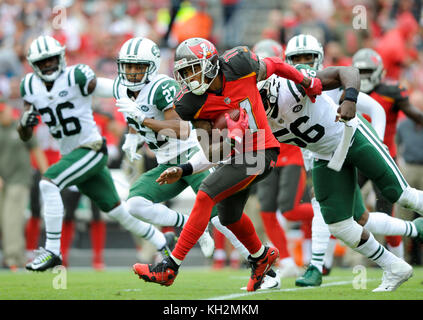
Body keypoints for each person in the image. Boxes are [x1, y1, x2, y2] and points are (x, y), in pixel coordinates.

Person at [133, 37, 322, 291]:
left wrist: (306, 82)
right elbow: (211, 151)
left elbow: (276, 64)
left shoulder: (240, 64)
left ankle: (170, 267)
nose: (190, 77)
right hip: (238, 156)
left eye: (194, 69)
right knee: (229, 217)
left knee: (205, 194)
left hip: (261, 151)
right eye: (185, 72)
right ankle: (261, 257)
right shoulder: (190, 102)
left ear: (211, 64)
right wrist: (229, 139)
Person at [258, 61, 423, 292]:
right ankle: (395, 267)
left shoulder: (292, 86)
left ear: (270, 89)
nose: (255, 106)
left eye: (258, 98)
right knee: (338, 225)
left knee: (400, 194)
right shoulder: (257, 120)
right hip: (325, 155)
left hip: (350, 134)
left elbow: (348, 71)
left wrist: (350, 99)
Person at [18, 35, 175, 271]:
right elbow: (25, 135)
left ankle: (52, 250)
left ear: (60, 57)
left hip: (90, 149)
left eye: (51, 60)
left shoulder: (76, 76)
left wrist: (141, 103)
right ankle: (162, 241)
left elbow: (114, 88)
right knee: (118, 211)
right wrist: (24, 123)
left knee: (48, 183)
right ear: (33, 64)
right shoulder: (29, 86)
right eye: (43, 62)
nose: (48, 65)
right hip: (71, 155)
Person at [112, 36, 264, 260]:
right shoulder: (120, 87)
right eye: (128, 66)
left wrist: (142, 120)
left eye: (138, 66)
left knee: (220, 216)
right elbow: (132, 113)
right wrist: (133, 136)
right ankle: (190, 224)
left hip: (191, 155)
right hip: (165, 162)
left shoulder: (161, 87)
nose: (132, 72)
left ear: (152, 67)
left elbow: (181, 130)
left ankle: (258, 262)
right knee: (134, 205)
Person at [254, 38, 314, 277]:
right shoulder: (251, 87)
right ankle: (287, 259)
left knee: (289, 210)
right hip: (266, 154)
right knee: (267, 211)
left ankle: (326, 214)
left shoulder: (290, 84)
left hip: (291, 154)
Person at [0, 103, 48, 270]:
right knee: (6, 220)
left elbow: (36, 149)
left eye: (2, 112)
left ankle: (13, 258)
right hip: (2, 181)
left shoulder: (21, 127)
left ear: (8, 110)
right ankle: (15, 256)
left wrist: (47, 174)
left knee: (12, 220)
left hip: (19, 180)